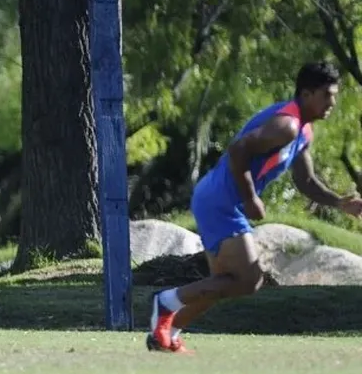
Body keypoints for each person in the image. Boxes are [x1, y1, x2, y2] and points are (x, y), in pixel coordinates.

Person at [148, 61, 362, 354]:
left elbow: (306, 181)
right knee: (249, 279)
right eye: (327, 95)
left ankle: (167, 334)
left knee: (222, 284)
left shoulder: (303, 132)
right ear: (307, 93)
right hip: (220, 200)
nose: (332, 103)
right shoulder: (287, 125)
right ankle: (166, 302)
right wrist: (250, 198)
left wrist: (340, 202)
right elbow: (239, 150)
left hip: (220, 199)